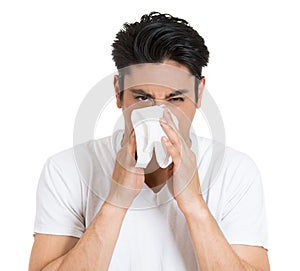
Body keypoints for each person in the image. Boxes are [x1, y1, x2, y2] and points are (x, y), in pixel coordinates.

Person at [29, 11, 270, 271]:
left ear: (199, 94)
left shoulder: (236, 172)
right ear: (118, 94)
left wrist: (193, 204)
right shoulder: (67, 169)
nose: (159, 114)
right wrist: (115, 202)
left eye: (176, 99)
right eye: (142, 98)